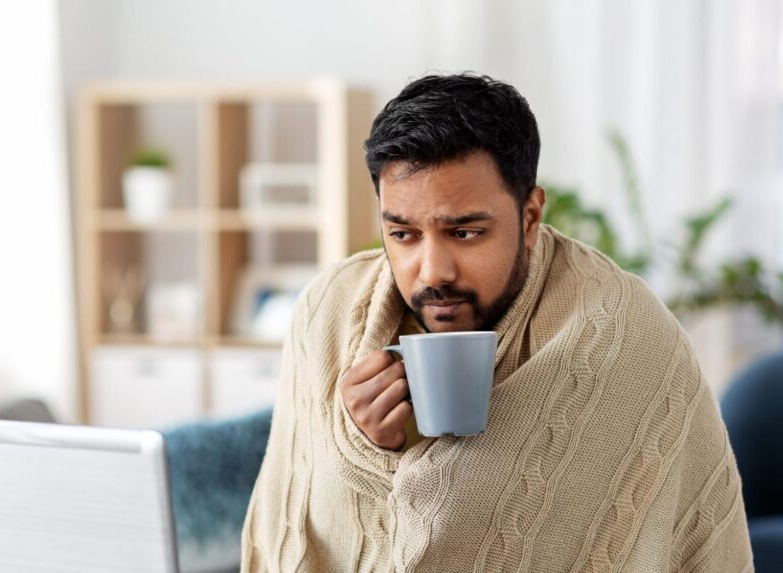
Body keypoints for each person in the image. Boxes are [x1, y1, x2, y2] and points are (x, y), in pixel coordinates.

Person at [241, 73, 753, 572]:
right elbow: (292, 528)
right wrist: (361, 453)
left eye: (464, 233)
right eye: (403, 235)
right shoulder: (326, 311)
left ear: (529, 217)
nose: (433, 271)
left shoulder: (624, 331)